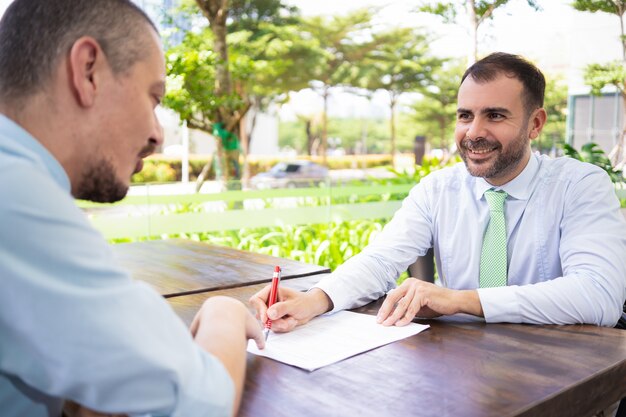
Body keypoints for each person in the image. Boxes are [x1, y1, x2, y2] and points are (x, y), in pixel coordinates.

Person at [0, 1, 263, 417]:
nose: (158, 135)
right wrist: (225, 314)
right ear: (88, 71)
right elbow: (200, 402)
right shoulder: (15, 194)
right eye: (153, 97)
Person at [250, 52, 626, 332]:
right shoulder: (438, 189)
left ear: (535, 124)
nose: (473, 132)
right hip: (460, 365)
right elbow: (382, 260)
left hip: (562, 373)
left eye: (495, 115)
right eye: (465, 115)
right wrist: (314, 301)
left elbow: (599, 297)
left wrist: (461, 300)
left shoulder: (580, 185)